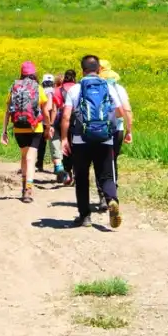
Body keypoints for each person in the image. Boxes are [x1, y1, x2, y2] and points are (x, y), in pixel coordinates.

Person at [59, 55, 131, 228]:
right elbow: (121, 112)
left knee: (82, 178)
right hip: (104, 139)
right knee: (105, 175)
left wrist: (63, 139)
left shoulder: (75, 89)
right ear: (99, 70)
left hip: (80, 140)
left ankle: (85, 217)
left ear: (82, 71)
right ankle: (112, 200)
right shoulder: (108, 86)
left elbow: (66, 116)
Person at [0, 61, 53, 203]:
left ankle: (24, 186)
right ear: (34, 73)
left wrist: (4, 131)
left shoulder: (14, 87)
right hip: (35, 128)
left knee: (24, 156)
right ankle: (28, 189)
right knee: (31, 158)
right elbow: (45, 111)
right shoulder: (38, 88)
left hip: (18, 127)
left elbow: (7, 111)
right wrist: (48, 126)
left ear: (22, 73)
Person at [52, 68, 77, 186]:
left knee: (65, 146)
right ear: (74, 78)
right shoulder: (78, 88)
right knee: (76, 147)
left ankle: (68, 174)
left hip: (61, 121)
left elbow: (54, 108)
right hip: (76, 122)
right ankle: (77, 174)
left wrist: (51, 125)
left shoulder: (57, 90)